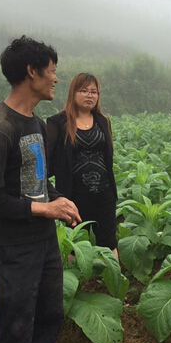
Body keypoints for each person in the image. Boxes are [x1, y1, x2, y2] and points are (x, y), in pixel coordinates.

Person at [0, 35, 80, 343]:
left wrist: (57, 200)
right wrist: (42, 208)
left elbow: (34, 182)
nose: (55, 78)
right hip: (11, 247)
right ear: (31, 72)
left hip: (42, 241)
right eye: (51, 71)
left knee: (50, 315)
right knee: (14, 327)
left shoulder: (34, 123)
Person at [47, 73, 118, 260]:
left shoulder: (103, 121)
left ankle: (114, 284)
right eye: (84, 90)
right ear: (73, 93)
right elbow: (48, 162)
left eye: (94, 92)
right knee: (74, 244)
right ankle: (74, 286)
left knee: (109, 242)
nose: (90, 95)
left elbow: (107, 156)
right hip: (73, 197)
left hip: (104, 194)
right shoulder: (58, 122)